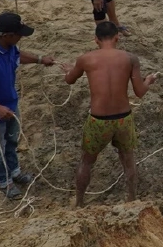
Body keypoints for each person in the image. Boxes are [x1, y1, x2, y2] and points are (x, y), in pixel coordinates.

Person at [63, 21, 156, 207]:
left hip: (98, 120)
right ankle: (131, 199)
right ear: (117, 37)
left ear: (96, 39)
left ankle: (79, 202)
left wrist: (68, 70)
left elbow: (70, 80)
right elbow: (140, 92)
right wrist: (148, 80)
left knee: (87, 161)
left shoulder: (85, 59)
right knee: (128, 160)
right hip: (123, 118)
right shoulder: (130, 58)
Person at [0, 13, 59, 199]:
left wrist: (40, 59)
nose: (21, 37)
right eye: (19, 34)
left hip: (10, 103)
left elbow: (18, 56)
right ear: (6, 35)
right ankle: (4, 181)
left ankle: (15, 171)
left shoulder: (9, 46)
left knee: (11, 140)